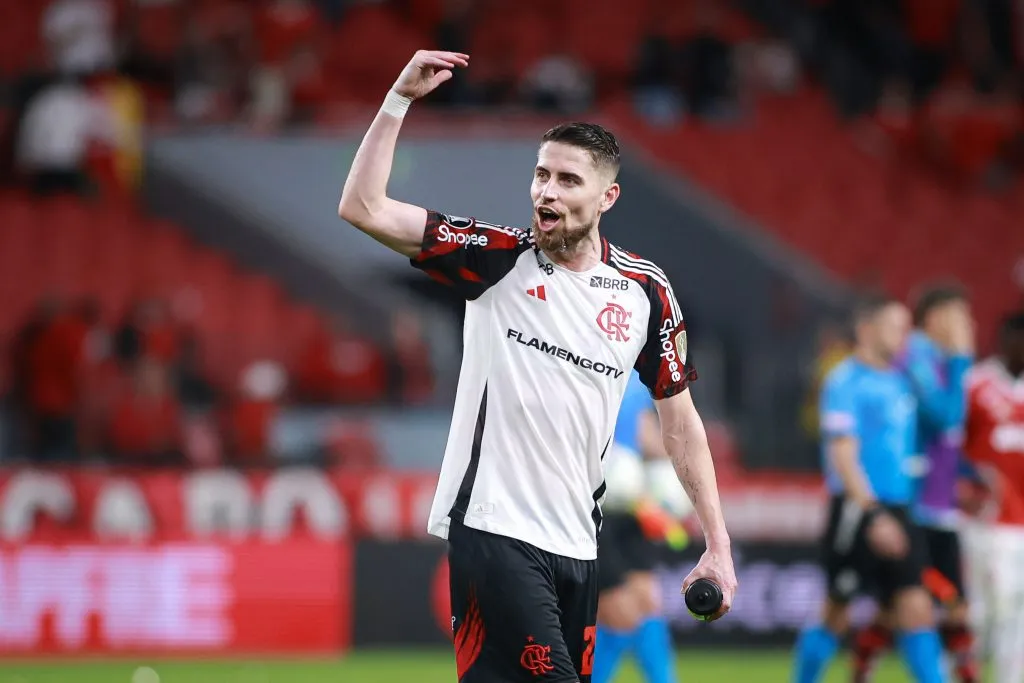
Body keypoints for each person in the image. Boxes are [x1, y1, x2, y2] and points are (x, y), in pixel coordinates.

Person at [337, 50, 737, 683]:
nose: (546, 192)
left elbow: (680, 423)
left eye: (567, 180)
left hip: (580, 544)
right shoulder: (496, 260)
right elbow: (364, 207)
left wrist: (717, 543)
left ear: (608, 196)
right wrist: (398, 101)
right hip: (494, 527)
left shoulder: (644, 292)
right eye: (541, 175)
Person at [792, 294, 946, 683]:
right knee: (837, 612)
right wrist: (873, 514)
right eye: (895, 326)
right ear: (866, 330)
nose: (903, 336)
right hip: (859, 510)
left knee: (917, 609)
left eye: (906, 328)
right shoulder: (845, 380)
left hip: (899, 508)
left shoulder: (899, 383)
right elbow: (843, 454)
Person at [851, 284, 979, 683]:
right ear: (936, 317)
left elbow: (947, 439)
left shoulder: (935, 359)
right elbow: (946, 417)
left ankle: (863, 667)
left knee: (911, 606)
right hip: (918, 506)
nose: (968, 325)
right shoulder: (917, 357)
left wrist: (967, 475)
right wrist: (960, 360)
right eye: (959, 315)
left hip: (941, 503)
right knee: (930, 603)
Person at [593, 370, 693, 683]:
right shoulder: (588, 366)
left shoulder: (640, 378)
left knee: (647, 603)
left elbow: (646, 434)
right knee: (618, 614)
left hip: (630, 504)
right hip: (597, 506)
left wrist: (683, 469)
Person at [960, 312, 1024, 683]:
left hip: (1022, 523)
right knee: (984, 615)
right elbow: (950, 447)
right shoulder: (976, 384)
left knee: (1016, 617)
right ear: (1005, 341)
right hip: (987, 523)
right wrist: (962, 486)